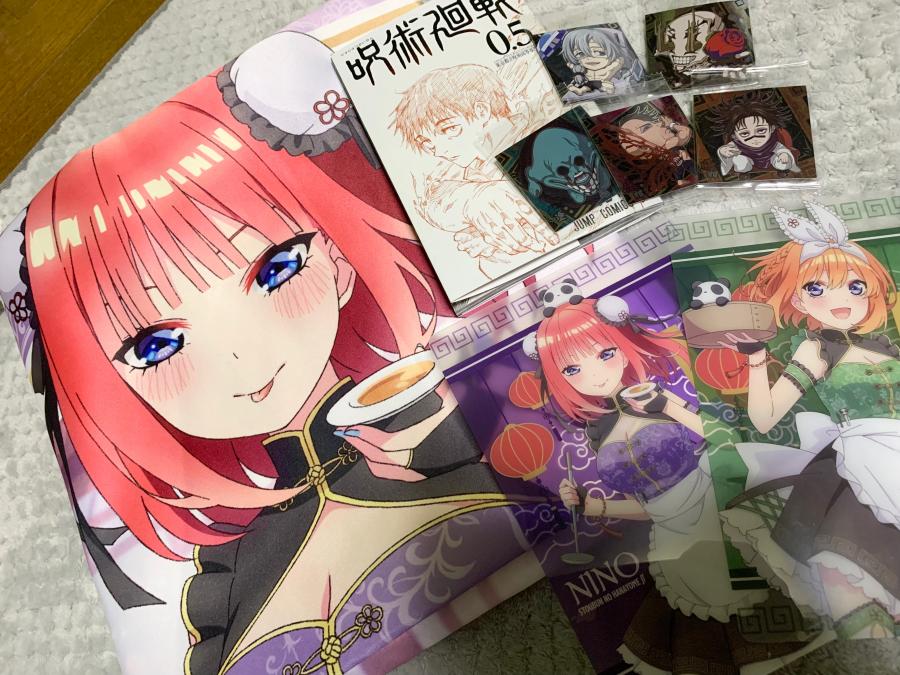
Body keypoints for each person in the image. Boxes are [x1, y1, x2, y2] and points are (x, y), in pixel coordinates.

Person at [18, 34, 522, 675]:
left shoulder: (456, 412)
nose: (241, 358)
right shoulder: (226, 585)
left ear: (338, 260)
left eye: (277, 268)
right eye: (157, 345)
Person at [527, 292, 799, 673]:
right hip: (670, 536)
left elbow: (724, 438)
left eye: (605, 353)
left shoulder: (656, 397)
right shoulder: (596, 432)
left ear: (622, 345)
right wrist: (589, 505)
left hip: (713, 506)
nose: (594, 374)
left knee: (754, 593)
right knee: (708, 625)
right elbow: (647, 507)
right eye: (572, 369)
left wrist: (666, 406)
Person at [718, 201, 900, 639]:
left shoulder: (883, 345)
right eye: (818, 289)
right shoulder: (816, 349)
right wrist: (756, 360)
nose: (840, 301)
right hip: (868, 452)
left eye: (855, 286)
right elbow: (764, 418)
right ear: (798, 298)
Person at [392, 63, 560, 268]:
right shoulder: (463, 161)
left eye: (448, 129)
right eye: (427, 143)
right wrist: (473, 202)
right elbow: (432, 200)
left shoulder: (538, 134)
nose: (437, 149)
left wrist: (488, 238)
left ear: (482, 111)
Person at [590, 100, 696, 199]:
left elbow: (685, 133)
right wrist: (671, 125)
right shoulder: (669, 146)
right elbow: (684, 132)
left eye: (651, 123)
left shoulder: (672, 145)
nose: (659, 123)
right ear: (644, 148)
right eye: (646, 127)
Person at [708, 89, 801, 176]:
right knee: (740, 161)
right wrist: (723, 151)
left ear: (772, 128)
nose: (754, 137)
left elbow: (781, 149)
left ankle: (782, 170)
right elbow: (725, 149)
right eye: (745, 133)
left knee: (783, 163)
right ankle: (744, 173)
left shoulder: (774, 140)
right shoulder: (737, 144)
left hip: (772, 159)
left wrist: (783, 154)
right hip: (749, 161)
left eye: (761, 130)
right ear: (734, 136)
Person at [559, 26, 645, 97]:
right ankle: (581, 91)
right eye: (581, 54)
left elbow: (632, 83)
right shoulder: (582, 69)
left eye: (599, 52)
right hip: (591, 88)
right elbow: (577, 72)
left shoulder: (617, 65)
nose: (590, 58)